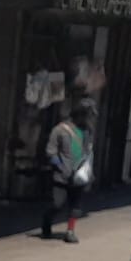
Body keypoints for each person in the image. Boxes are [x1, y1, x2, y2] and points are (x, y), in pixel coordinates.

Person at [43, 100, 96, 243]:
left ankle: (70, 231)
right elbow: (51, 152)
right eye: (86, 116)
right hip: (62, 176)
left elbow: (88, 152)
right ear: (78, 115)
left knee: (76, 206)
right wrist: (60, 166)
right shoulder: (59, 130)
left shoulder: (88, 131)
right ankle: (47, 220)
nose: (88, 119)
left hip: (79, 176)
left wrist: (88, 171)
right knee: (57, 204)